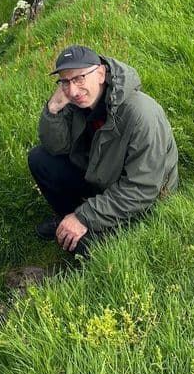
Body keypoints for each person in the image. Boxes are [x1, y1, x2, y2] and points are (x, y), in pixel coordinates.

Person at [28, 44, 179, 255]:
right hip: (101, 176)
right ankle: (68, 219)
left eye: (79, 78)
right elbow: (56, 146)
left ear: (100, 73)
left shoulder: (141, 114)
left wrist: (85, 216)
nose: (72, 90)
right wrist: (53, 108)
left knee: (84, 247)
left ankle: (83, 226)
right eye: (65, 81)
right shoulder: (78, 102)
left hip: (140, 198)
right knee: (39, 158)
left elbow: (142, 189)